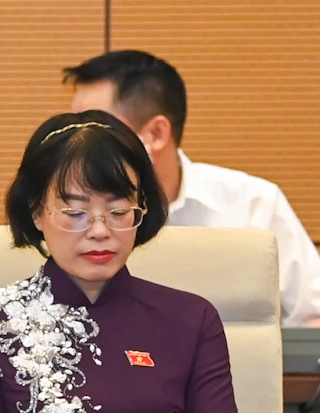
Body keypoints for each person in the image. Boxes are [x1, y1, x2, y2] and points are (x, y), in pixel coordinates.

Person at [0, 112, 240, 413]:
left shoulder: (192, 318)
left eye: (119, 211)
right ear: (36, 213)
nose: (100, 231)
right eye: (75, 212)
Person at [66, 49, 320, 325]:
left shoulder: (253, 204)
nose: (80, 141)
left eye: (96, 128)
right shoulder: (64, 214)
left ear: (156, 134)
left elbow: (311, 321)